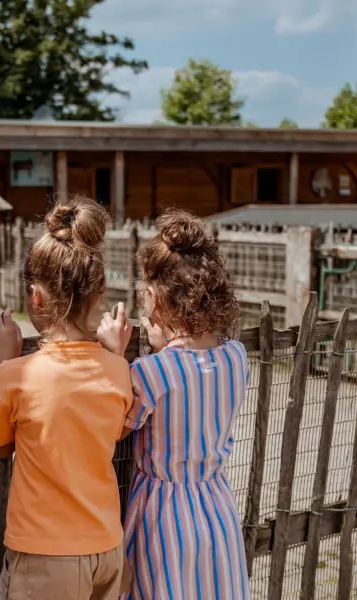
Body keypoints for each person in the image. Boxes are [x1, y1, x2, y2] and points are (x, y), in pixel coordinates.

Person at [0, 195, 132, 600]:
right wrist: (115, 354)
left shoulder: (16, 376)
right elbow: (114, 430)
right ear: (98, 296)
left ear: (36, 298)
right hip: (108, 549)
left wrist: (1, 364)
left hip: (46, 557)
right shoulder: (119, 370)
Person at [97, 210, 250, 599]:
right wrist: (168, 345)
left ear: (158, 298)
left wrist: (116, 357)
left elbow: (116, 426)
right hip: (216, 510)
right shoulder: (236, 356)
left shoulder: (153, 372)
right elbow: (196, 373)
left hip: (164, 516)